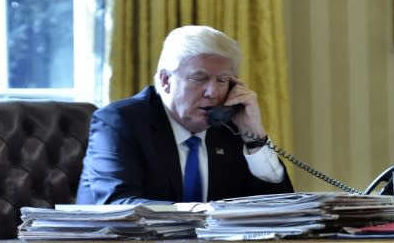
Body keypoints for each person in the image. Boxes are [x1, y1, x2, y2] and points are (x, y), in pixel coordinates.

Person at [77, 25, 294, 204]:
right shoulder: (120, 122)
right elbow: (119, 205)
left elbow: (279, 207)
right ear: (165, 80)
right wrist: (202, 215)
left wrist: (254, 137)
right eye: (199, 78)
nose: (213, 93)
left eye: (222, 80)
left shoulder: (229, 126)